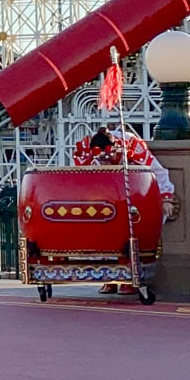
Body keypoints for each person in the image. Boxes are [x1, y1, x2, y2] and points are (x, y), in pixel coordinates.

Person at [73, 125, 177, 294]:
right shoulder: (87, 152)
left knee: (132, 234)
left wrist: (166, 198)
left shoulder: (133, 147)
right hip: (105, 198)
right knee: (100, 232)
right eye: (102, 160)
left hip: (134, 196)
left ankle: (129, 278)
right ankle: (109, 277)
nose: (106, 162)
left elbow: (158, 172)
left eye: (109, 158)